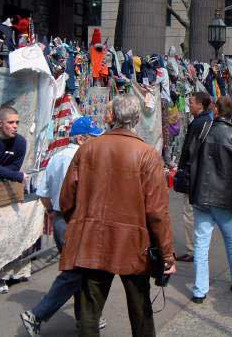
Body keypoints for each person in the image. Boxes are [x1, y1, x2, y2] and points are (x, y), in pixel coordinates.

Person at [59, 95, 175, 337]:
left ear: (113, 117)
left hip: (93, 239)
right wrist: (167, 254)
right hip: (133, 243)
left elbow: (66, 200)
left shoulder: (88, 148)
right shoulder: (147, 154)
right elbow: (157, 212)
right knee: (140, 308)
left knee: (90, 309)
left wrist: (81, 222)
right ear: (136, 118)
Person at [20, 117, 106, 336]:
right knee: (74, 273)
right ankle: (36, 315)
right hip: (74, 221)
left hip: (60, 219)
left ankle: (85, 318)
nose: (95, 143)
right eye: (92, 138)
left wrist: (52, 213)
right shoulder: (80, 159)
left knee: (80, 271)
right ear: (81, 138)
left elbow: (43, 194)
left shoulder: (56, 158)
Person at [189, 96, 232, 303]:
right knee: (231, 240)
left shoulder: (203, 129)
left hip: (202, 192)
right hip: (224, 195)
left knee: (202, 242)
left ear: (217, 111)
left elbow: (189, 156)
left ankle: (200, 289)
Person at [0, 105, 28, 293]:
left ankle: (12, 273)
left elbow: (14, 167)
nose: (15, 126)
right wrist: (15, 176)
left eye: (17, 122)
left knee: (11, 234)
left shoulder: (21, 142)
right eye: (11, 123)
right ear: (0, 123)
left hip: (9, 194)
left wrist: (9, 174)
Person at [175, 91, 212, 263]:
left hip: (193, 174)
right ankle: (195, 247)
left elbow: (192, 150)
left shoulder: (200, 123)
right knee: (193, 213)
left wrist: (184, 170)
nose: (189, 105)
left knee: (190, 213)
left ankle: (194, 249)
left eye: (191, 102)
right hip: (197, 173)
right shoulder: (203, 121)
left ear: (200, 104)